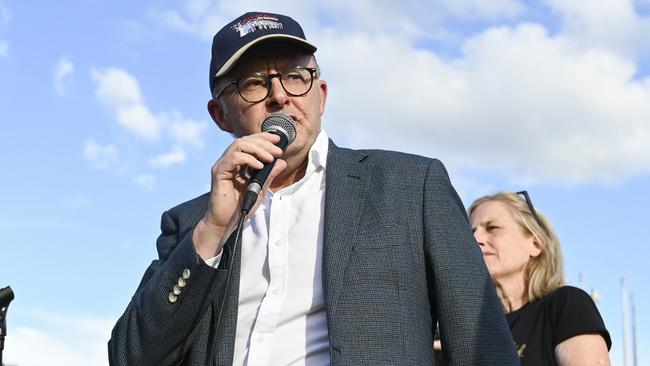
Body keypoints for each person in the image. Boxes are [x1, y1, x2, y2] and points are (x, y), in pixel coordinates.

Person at [108, 11, 518, 365]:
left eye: (294, 76)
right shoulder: (192, 226)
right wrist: (212, 233)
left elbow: (481, 342)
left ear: (320, 95)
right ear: (220, 115)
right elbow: (129, 356)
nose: (279, 96)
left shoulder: (410, 186)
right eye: (253, 84)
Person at [467, 191, 612, 365]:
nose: (475, 238)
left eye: (492, 228)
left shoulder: (565, 305)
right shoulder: (470, 329)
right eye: (471, 232)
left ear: (535, 245)